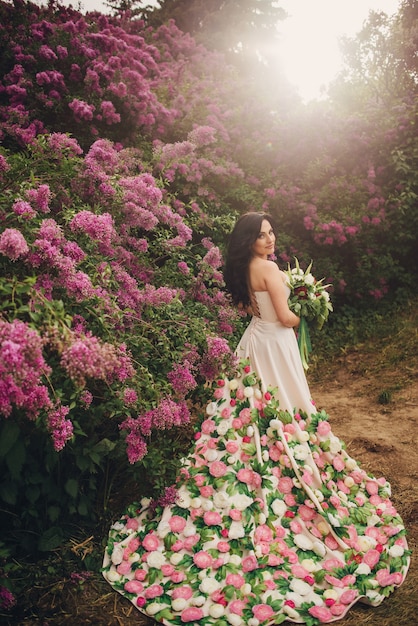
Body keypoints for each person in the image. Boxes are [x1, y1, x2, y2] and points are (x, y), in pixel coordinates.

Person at [102, 212, 410, 625]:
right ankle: (284, 456)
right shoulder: (267, 267)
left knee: (248, 409)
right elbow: (285, 318)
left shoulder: (244, 268)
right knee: (287, 406)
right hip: (276, 341)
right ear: (248, 240)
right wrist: (310, 313)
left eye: (271, 232)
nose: (269, 239)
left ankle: (252, 451)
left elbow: (255, 308)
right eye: (261, 235)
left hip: (253, 342)